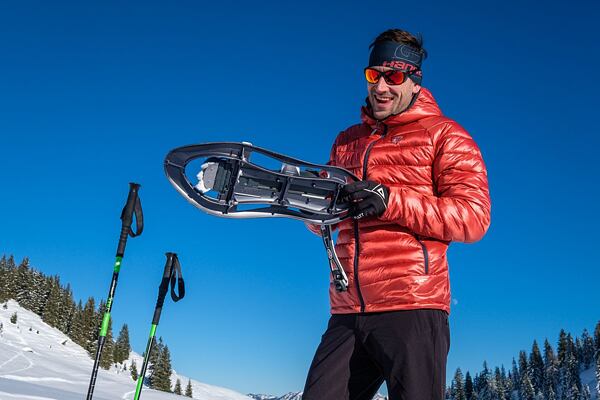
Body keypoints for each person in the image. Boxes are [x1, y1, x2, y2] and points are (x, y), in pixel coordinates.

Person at [302, 28, 491, 400]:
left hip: (412, 305)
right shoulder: (347, 140)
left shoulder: (447, 137)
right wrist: (310, 204)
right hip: (347, 307)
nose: (382, 87)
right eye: (374, 76)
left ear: (415, 82)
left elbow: (473, 217)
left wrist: (391, 201)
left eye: (395, 77)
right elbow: (320, 219)